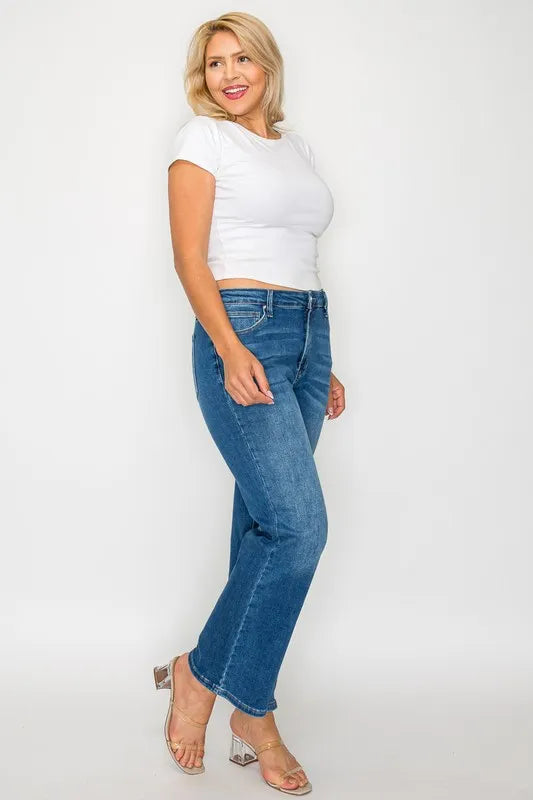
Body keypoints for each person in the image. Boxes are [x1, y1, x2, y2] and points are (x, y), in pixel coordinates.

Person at [154, 11, 346, 795]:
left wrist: (318, 361)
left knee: (265, 527)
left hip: (307, 334)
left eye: (241, 59)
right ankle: (235, 700)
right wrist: (233, 349)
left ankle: (207, 676)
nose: (228, 74)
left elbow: (300, 249)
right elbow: (188, 257)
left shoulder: (292, 146)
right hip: (240, 328)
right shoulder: (200, 140)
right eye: (214, 63)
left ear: (266, 65)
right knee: (299, 529)